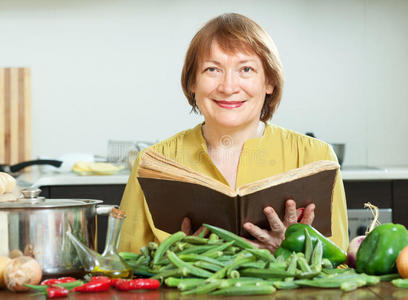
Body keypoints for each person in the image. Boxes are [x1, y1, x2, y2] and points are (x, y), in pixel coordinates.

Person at [118, 13, 348, 253]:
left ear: (269, 82)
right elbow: (126, 265)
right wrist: (175, 258)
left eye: (246, 69)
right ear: (192, 82)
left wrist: (287, 250)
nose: (228, 87)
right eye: (212, 69)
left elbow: (341, 264)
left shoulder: (316, 157)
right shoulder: (152, 163)